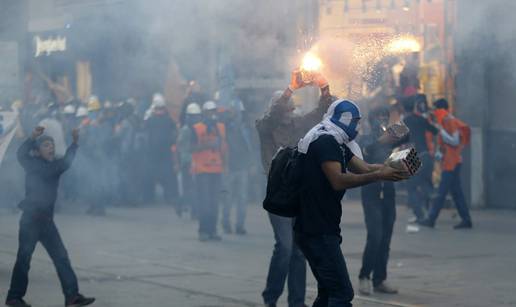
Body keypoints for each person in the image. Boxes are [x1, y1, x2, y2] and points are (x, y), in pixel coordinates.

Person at [294, 99, 410, 307]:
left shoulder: (339, 143)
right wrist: (378, 176)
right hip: (316, 229)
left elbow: (364, 167)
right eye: (355, 121)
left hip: (324, 227)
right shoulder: (325, 140)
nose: (357, 126)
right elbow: (338, 180)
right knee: (342, 294)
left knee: (328, 293)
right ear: (344, 119)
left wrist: (389, 170)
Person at [257, 70, 332, 307]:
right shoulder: (265, 127)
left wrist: (324, 86)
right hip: (277, 193)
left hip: (299, 193)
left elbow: (323, 111)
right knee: (285, 247)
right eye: (285, 107)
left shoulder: (299, 124)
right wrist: (290, 88)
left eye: (289, 106)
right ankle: (271, 298)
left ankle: (296, 303)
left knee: (299, 251)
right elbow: (273, 116)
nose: (288, 111)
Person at [5, 126, 95, 307]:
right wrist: (31, 137)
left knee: (61, 258)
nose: (50, 148)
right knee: (24, 259)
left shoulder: (55, 166)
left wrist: (75, 143)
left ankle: (72, 297)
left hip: (46, 222)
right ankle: (14, 298)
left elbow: (67, 161)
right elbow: (21, 153)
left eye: (52, 145)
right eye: (46, 145)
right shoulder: (31, 163)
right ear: (37, 151)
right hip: (30, 220)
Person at [358, 106, 407, 296]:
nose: (381, 120)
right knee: (375, 236)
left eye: (384, 117)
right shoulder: (366, 139)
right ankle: (364, 276)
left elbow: (399, 159)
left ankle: (379, 279)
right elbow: (369, 151)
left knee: (386, 238)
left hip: (388, 193)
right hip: (371, 193)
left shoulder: (392, 141)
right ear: (372, 120)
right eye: (378, 116)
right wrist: (386, 138)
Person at [420, 99, 473, 229]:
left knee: (441, 192)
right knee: (457, 193)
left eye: (436, 109)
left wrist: (440, 130)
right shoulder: (446, 121)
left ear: (441, 109)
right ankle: (466, 219)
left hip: (452, 163)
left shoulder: (449, 121)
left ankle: (431, 218)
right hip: (452, 162)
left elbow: (454, 141)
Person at [191, 101, 227, 241]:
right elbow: (190, 148)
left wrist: (226, 166)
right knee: (204, 202)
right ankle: (203, 230)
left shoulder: (221, 128)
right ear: (204, 113)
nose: (212, 114)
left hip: (216, 169)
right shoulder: (196, 128)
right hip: (202, 170)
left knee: (214, 202)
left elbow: (224, 148)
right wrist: (206, 145)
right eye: (209, 111)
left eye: (214, 111)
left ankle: (212, 230)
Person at [402, 95, 439, 222]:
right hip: (426, 154)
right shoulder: (422, 119)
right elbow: (436, 131)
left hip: (414, 156)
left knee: (411, 188)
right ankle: (430, 203)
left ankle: (420, 215)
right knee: (425, 183)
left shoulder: (405, 121)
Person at [221, 99, 253, 235]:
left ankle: (240, 225)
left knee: (242, 198)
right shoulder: (224, 126)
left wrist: (251, 164)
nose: (238, 114)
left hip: (242, 167)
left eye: (240, 112)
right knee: (228, 197)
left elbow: (250, 147)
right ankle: (226, 223)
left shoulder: (245, 129)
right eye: (236, 112)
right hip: (229, 167)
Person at [143, 93, 178, 207]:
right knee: (167, 175)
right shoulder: (168, 120)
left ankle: (149, 197)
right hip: (165, 152)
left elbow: (145, 134)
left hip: (153, 152)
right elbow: (175, 134)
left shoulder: (150, 120)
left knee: (150, 174)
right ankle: (169, 196)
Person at [177, 103, 202, 219]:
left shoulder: (199, 129)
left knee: (194, 187)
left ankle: (194, 210)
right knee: (188, 187)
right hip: (187, 162)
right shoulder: (185, 130)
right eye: (192, 116)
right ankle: (182, 205)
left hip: (196, 162)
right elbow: (181, 147)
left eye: (196, 116)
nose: (194, 118)